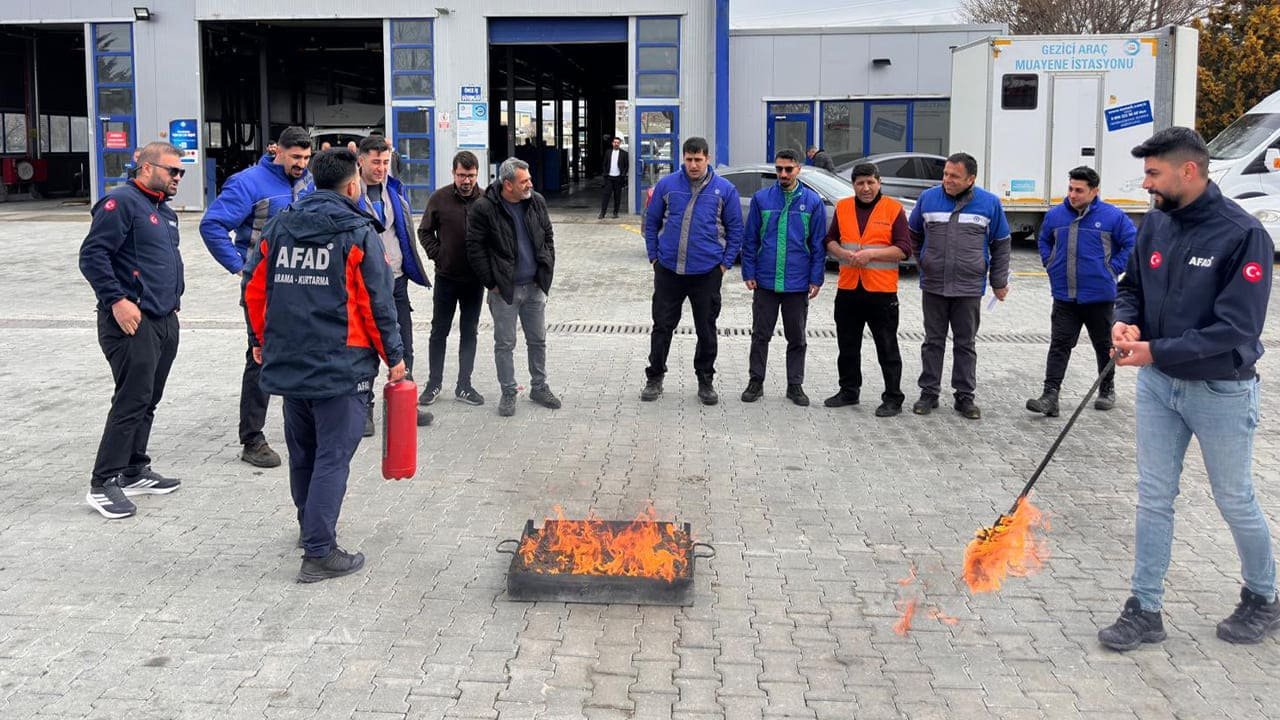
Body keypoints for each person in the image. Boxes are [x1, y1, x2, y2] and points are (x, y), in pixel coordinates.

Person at [1098, 127, 1278, 650]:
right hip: (1158, 388)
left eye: (1154, 173)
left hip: (1220, 390)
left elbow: (1237, 328)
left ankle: (1264, 598)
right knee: (1154, 498)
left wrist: (1155, 350)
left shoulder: (1242, 234)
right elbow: (1130, 288)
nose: (1146, 183)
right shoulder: (1155, 224)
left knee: (1235, 499)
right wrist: (1125, 324)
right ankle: (1144, 609)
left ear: (1188, 171)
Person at [242, 148, 405, 583]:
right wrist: (396, 358)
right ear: (353, 186)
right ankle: (318, 552)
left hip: (290, 363)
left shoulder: (279, 226)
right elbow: (377, 302)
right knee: (334, 457)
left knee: (304, 454)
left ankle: (309, 528)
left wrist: (259, 341)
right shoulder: (357, 232)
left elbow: (254, 288)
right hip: (340, 367)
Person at [78, 142, 186, 519]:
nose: (178, 178)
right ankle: (103, 482)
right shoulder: (120, 203)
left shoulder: (162, 211)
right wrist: (117, 300)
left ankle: (133, 467)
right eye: (172, 170)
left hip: (163, 319)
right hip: (130, 320)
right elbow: (93, 255)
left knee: (148, 398)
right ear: (145, 168)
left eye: (180, 172)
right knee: (131, 398)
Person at [199, 126, 313, 468]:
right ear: (276, 150)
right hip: (262, 289)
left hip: (302, 282)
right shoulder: (247, 183)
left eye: (306, 158)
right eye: (295, 157)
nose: (301, 164)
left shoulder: (307, 181)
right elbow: (212, 225)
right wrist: (241, 268)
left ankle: (304, 420)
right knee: (260, 355)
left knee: (303, 349)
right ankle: (252, 438)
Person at [640, 136, 744, 405]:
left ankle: (705, 380)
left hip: (707, 273)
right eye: (689, 159)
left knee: (706, 329)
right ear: (682, 158)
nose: (693, 165)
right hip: (669, 271)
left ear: (707, 159)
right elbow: (650, 224)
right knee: (662, 326)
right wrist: (654, 257)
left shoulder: (725, 189)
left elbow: (736, 231)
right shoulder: (667, 185)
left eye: (698, 159)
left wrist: (723, 264)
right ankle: (655, 377)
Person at [1026, 166, 1136, 417]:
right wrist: (1050, 260)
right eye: (1070, 189)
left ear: (1094, 191)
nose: (1073, 195)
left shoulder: (1112, 217)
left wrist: (1113, 267)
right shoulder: (1055, 216)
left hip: (1100, 296)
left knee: (1103, 344)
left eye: (1079, 190)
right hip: (1065, 296)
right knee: (1059, 344)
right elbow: (1043, 239)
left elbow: (1131, 242)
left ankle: (1106, 388)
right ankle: (1050, 395)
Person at [908, 152, 1011, 420]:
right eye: (945, 174)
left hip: (968, 287)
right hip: (934, 285)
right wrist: (925, 262)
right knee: (933, 341)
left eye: (954, 176)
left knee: (965, 343)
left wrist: (998, 282)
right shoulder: (928, 199)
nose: (947, 180)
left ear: (971, 179)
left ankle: (964, 396)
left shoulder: (989, 204)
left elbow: (1001, 244)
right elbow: (914, 235)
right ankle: (929, 392)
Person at [466, 157, 560, 418]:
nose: (530, 183)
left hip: (534, 287)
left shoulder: (536, 201)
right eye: (524, 181)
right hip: (504, 291)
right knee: (505, 343)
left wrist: (546, 268)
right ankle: (509, 392)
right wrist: (492, 283)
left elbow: (548, 236)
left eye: (529, 179)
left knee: (538, 340)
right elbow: (475, 249)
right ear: (507, 185)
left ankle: (539, 387)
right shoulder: (484, 208)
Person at [354, 136, 433, 431]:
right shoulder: (349, 195)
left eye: (386, 162)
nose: (381, 168)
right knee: (364, 349)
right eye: (375, 162)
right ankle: (364, 410)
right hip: (363, 285)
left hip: (397, 281)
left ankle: (406, 405)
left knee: (404, 346)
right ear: (360, 160)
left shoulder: (395, 193)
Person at [823, 162, 912, 417]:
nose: (866, 188)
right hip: (849, 288)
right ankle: (849, 390)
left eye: (870, 182)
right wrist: (840, 252)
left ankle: (893, 397)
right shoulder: (843, 207)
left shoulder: (893, 209)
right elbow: (830, 240)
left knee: (887, 346)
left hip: (881, 292)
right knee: (847, 345)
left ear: (879, 182)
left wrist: (872, 253)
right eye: (860, 183)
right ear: (853, 185)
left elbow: (904, 249)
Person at [739, 149, 826, 406]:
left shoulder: (812, 202)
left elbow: (818, 244)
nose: (784, 174)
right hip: (765, 281)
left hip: (797, 283)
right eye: (779, 169)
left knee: (797, 337)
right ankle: (756, 382)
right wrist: (749, 271)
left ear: (798, 169)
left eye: (789, 169)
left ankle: (795, 385)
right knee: (760, 334)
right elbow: (751, 238)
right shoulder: (762, 199)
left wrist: (816, 278)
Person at [419, 151, 486, 408]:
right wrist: (439, 254)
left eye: (470, 176)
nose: (466, 181)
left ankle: (464, 385)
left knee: (469, 332)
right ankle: (434, 383)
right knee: (439, 331)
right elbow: (424, 231)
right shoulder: (440, 198)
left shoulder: (486, 200)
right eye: (461, 175)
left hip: (474, 281)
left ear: (477, 174)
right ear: (453, 174)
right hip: (446, 278)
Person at [598, 135, 629, 219]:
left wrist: (623, 174)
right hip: (609, 178)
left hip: (618, 178)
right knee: (606, 196)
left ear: (620, 144)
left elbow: (626, 166)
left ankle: (615, 212)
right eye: (615, 142)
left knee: (617, 196)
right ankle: (602, 213)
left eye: (618, 143)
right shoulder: (608, 152)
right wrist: (605, 173)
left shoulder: (624, 154)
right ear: (612, 143)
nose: (616, 144)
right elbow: (604, 164)